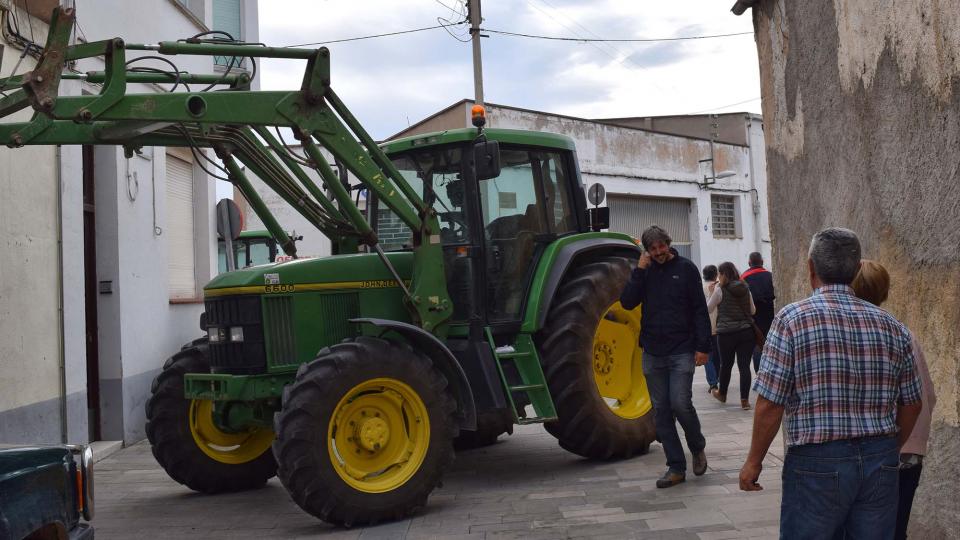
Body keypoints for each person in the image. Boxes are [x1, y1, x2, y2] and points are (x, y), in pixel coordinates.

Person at [739, 228, 923, 540]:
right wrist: (888, 449)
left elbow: (771, 403)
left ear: (811, 268)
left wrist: (754, 461)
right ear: (856, 270)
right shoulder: (893, 327)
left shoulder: (791, 320)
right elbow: (913, 402)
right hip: (879, 457)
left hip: (817, 461)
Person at [620, 225, 711, 488]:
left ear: (669, 244)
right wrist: (639, 270)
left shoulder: (686, 269)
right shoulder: (644, 273)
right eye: (653, 249)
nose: (659, 252)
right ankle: (675, 467)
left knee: (680, 403)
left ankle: (696, 446)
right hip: (652, 351)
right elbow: (627, 302)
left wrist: (703, 347)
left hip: (682, 348)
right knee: (661, 411)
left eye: (662, 247)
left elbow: (699, 310)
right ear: (646, 251)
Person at [851, 260, 936, 540]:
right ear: (885, 291)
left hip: (873, 452)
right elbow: (927, 395)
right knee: (895, 530)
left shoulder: (852, 335)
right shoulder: (902, 333)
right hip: (908, 452)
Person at [708, 262, 756, 410]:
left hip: (726, 334)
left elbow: (708, 309)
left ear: (723, 275)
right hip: (746, 332)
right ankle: (745, 400)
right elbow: (753, 311)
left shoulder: (719, 289)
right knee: (744, 366)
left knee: (726, 365)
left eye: (719, 274)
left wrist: (711, 293)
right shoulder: (745, 288)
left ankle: (722, 394)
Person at [742, 252, 775, 372]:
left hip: (752, 318)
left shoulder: (743, 279)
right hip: (770, 314)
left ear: (749, 263)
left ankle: (759, 373)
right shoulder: (771, 276)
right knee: (771, 344)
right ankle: (770, 371)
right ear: (762, 262)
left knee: (757, 344)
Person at [701, 264, 721, 392]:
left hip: (704, 326)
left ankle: (713, 382)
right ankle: (717, 378)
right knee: (718, 355)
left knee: (707, 355)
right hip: (719, 326)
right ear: (716, 274)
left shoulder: (699, 288)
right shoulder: (720, 287)